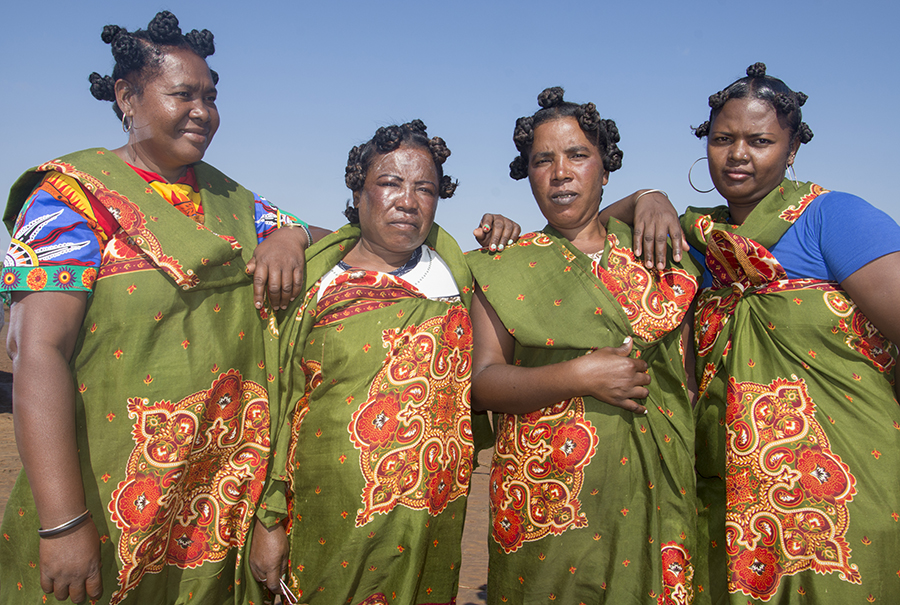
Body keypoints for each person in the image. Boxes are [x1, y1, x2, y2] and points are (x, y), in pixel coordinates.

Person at [0, 11, 315, 604]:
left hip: (215, 509)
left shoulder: (233, 200)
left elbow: (334, 243)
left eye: (211, 97)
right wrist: (63, 523)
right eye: (183, 94)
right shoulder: (71, 198)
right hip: (106, 499)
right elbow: (36, 351)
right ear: (127, 97)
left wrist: (291, 235)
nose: (203, 111)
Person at [254, 120, 520, 604]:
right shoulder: (315, 281)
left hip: (433, 516)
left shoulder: (456, 273)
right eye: (390, 183)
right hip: (328, 510)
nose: (408, 201)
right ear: (358, 192)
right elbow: (276, 406)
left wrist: (506, 241)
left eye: (426, 189)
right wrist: (269, 520)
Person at [467, 87, 705, 604]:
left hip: (656, 486)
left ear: (605, 167)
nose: (560, 173)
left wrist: (648, 195)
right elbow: (483, 383)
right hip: (548, 499)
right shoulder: (503, 266)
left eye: (577, 155)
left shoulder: (658, 255)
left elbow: (685, 381)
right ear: (527, 173)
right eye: (542, 160)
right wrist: (579, 376)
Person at [683, 63, 900, 602]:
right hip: (730, 501)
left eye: (760, 141)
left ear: (792, 148)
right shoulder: (700, 242)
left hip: (845, 492)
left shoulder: (834, 218)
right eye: (722, 139)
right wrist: (645, 196)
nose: (737, 154)